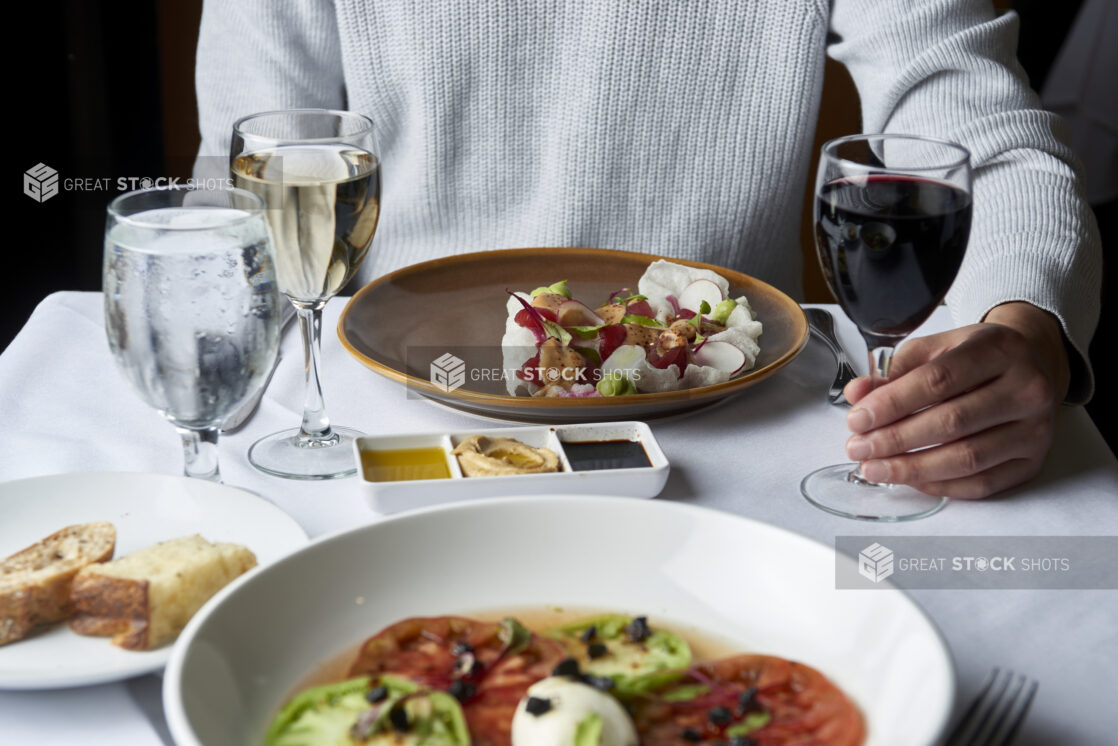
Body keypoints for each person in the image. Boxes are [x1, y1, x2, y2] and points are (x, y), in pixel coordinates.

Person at [195, 0, 1101, 499]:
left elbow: (985, 133)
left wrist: (1023, 322)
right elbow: (245, 173)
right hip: (384, 427)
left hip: (746, 435)